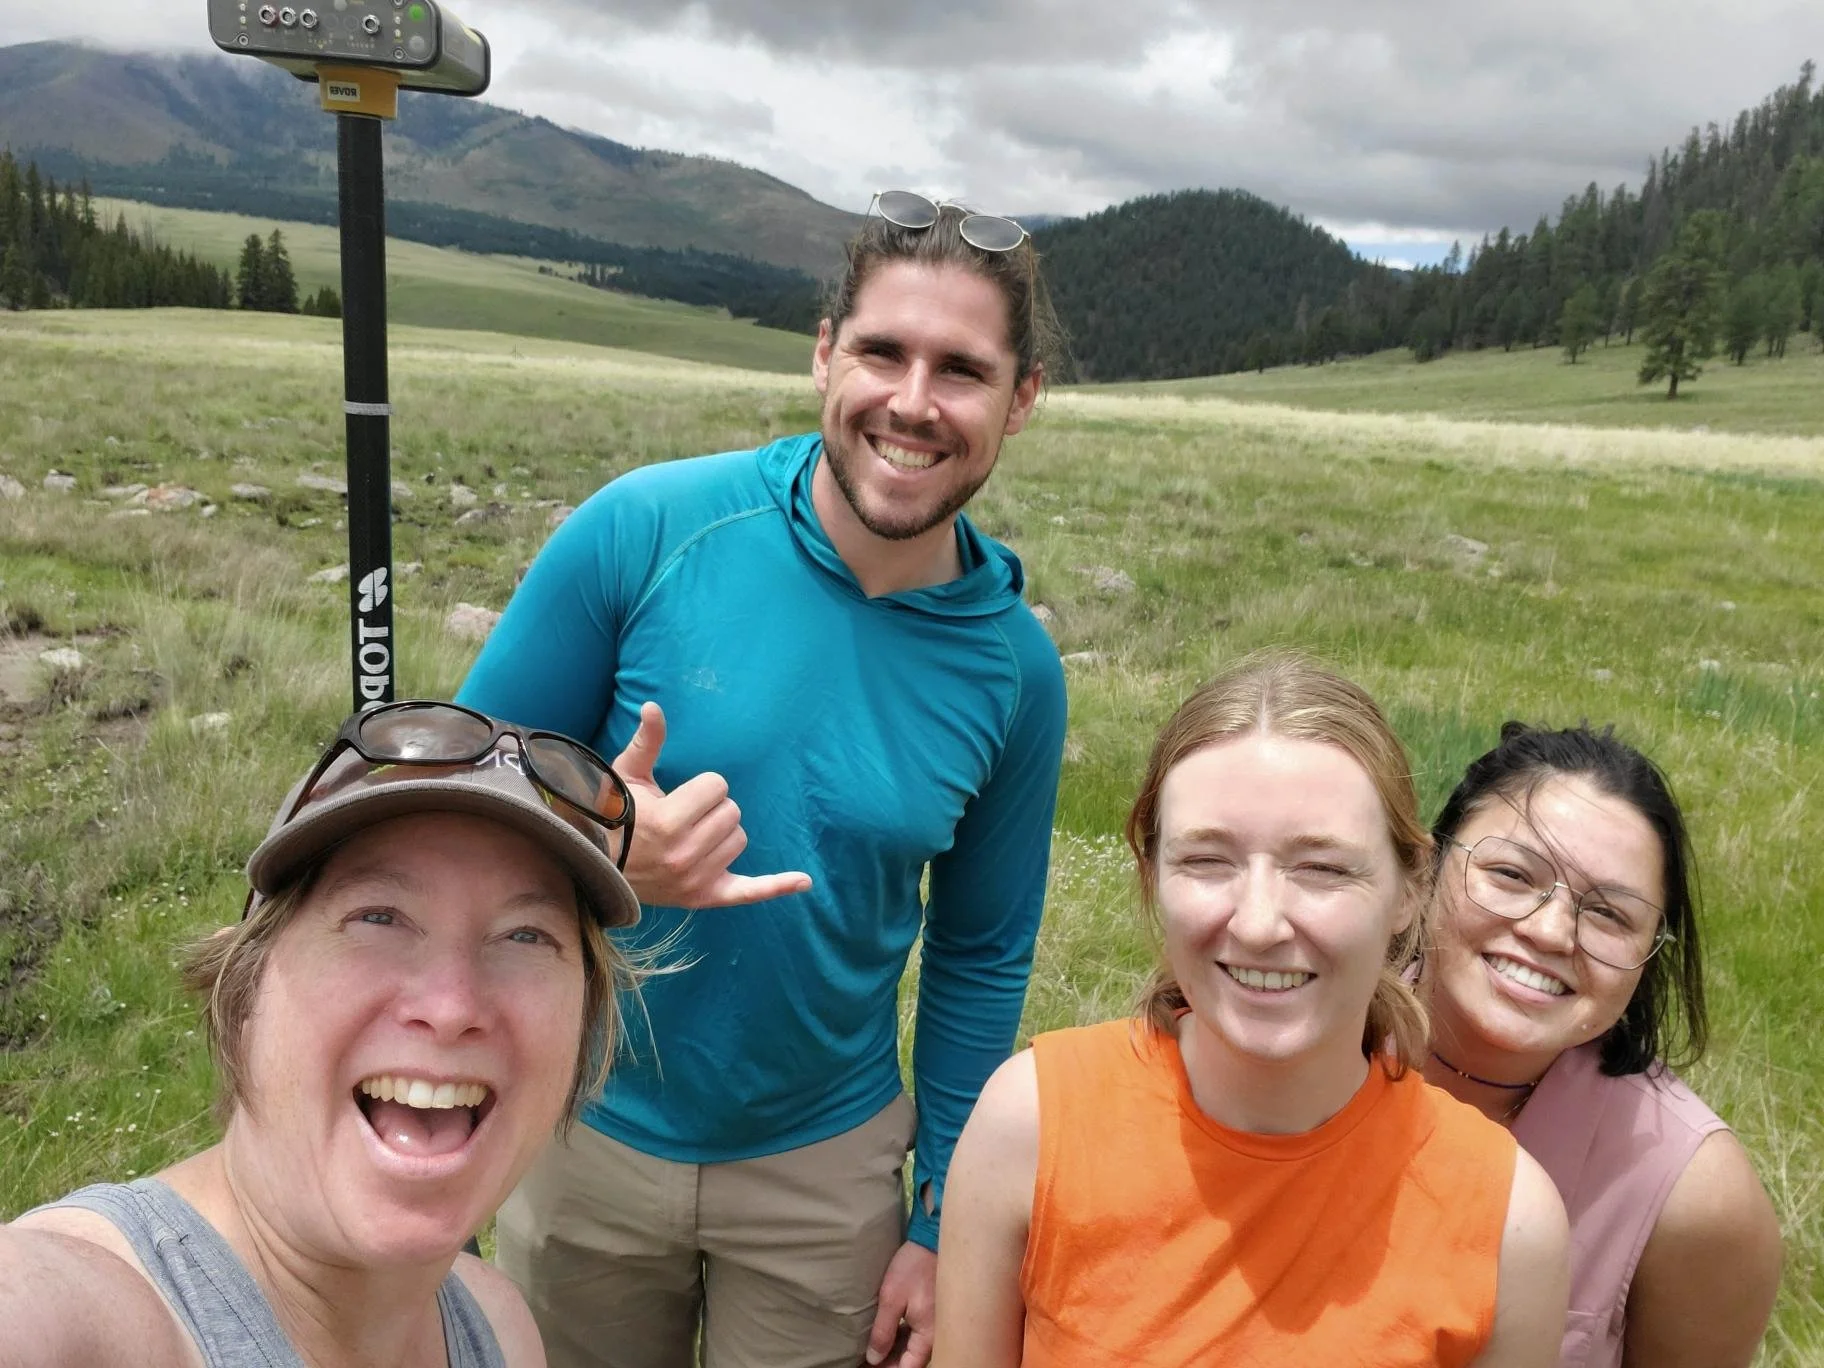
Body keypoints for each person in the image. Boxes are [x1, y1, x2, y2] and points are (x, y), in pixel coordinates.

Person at [455, 190, 1069, 1368]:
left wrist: (940, 1220)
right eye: (883, 352)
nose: (913, 401)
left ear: (1021, 399)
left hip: (825, 1174)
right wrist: (597, 845)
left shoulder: (1016, 673)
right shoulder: (645, 528)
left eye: (963, 370)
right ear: (825, 350)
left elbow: (982, 953)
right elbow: (452, 792)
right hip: (582, 1122)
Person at [936, 653, 1569, 1366]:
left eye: (1323, 868)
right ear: (1152, 877)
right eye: (1208, 860)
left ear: (1409, 891)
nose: (1260, 924)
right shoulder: (1031, 1126)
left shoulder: (1508, 1222)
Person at [0, 700, 642, 1368]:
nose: (451, 1006)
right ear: (242, 987)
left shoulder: (499, 1328)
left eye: (526, 936)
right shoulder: (81, 1313)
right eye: (379, 918)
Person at [1420, 722, 1783, 1367]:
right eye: (1511, 873)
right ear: (1427, 863)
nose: (1552, 930)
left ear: (1648, 958)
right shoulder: (1296, 1039)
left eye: (1610, 913)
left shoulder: (1695, 1199)